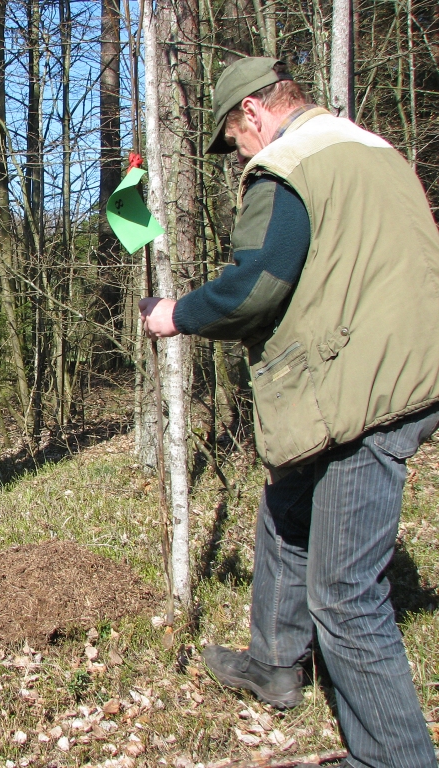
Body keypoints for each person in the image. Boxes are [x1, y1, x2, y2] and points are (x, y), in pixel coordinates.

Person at [141, 58, 439, 768]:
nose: (239, 155)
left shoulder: (289, 165)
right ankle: (276, 664)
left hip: (367, 386)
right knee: (287, 501)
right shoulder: (371, 149)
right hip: (403, 362)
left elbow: (258, 285)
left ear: (253, 112)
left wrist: (177, 314)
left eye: (234, 139)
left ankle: (398, 758)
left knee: (344, 595)